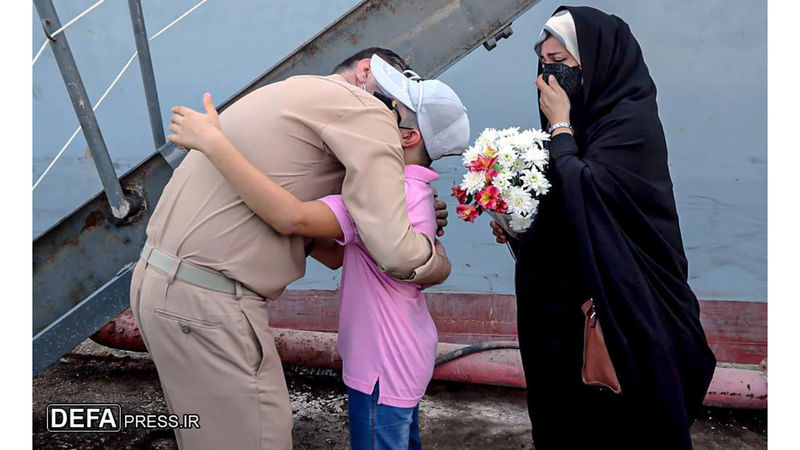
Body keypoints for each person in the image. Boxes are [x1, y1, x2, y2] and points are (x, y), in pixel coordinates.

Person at [130, 48, 453, 450]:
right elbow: (390, 251)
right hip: (208, 302)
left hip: (160, 286)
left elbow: (332, 247)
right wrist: (436, 260)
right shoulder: (363, 109)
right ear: (368, 72)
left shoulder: (292, 95)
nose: (387, 122)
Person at [490, 7, 716, 449]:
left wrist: (560, 126)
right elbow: (562, 211)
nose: (551, 74)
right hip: (561, 318)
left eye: (564, 62)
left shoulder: (629, 124)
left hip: (622, 311)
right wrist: (521, 228)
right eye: (545, 62)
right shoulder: (565, 130)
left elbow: (591, 191)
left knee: (622, 424)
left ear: (597, 63)